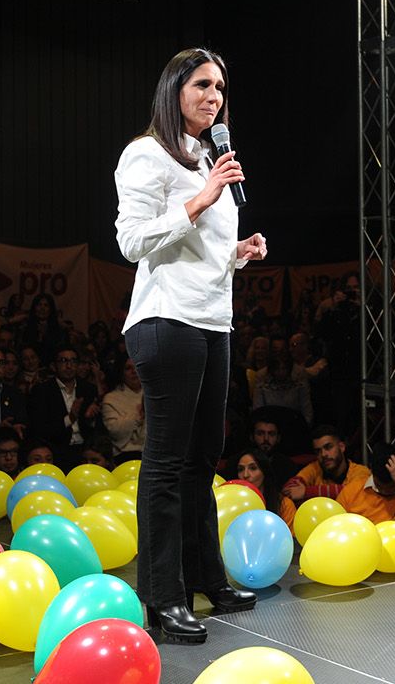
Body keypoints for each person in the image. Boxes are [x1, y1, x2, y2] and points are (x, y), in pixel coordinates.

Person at [114, 48, 267, 643]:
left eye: (220, 87)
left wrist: (238, 253)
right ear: (175, 89)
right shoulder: (146, 153)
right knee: (168, 462)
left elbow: (200, 251)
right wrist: (201, 197)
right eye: (202, 84)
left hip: (212, 319)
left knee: (205, 458)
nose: (214, 96)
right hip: (166, 319)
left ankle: (208, 579)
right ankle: (162, 596)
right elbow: (132, 241)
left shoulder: (209, 156)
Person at [283, 427, 370, 504]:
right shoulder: (315, 468)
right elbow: (289, 489)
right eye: (318, 451)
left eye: (328, 447)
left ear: (341, 447)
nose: (323, 454)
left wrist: (307, 492)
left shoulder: (360, 471)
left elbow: (354, 492)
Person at [336, 444, 395, 524]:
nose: (385, 491)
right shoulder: (351, 492)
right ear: (371, 471)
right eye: (379, 486)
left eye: (391, 488)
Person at [233, 448, 297, 528]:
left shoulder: (284, 505)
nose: (245, 475)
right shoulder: (233, 505)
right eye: (241, 469)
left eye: (253, 468)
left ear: (264, 472)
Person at [101, 358, 146, 459]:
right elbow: (115, 431)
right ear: (121, 372)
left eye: (137, 367)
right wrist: (138, 414)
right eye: (128, 368)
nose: (134, 371)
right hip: (125, 455)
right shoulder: (111, 398)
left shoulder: (154, 396)